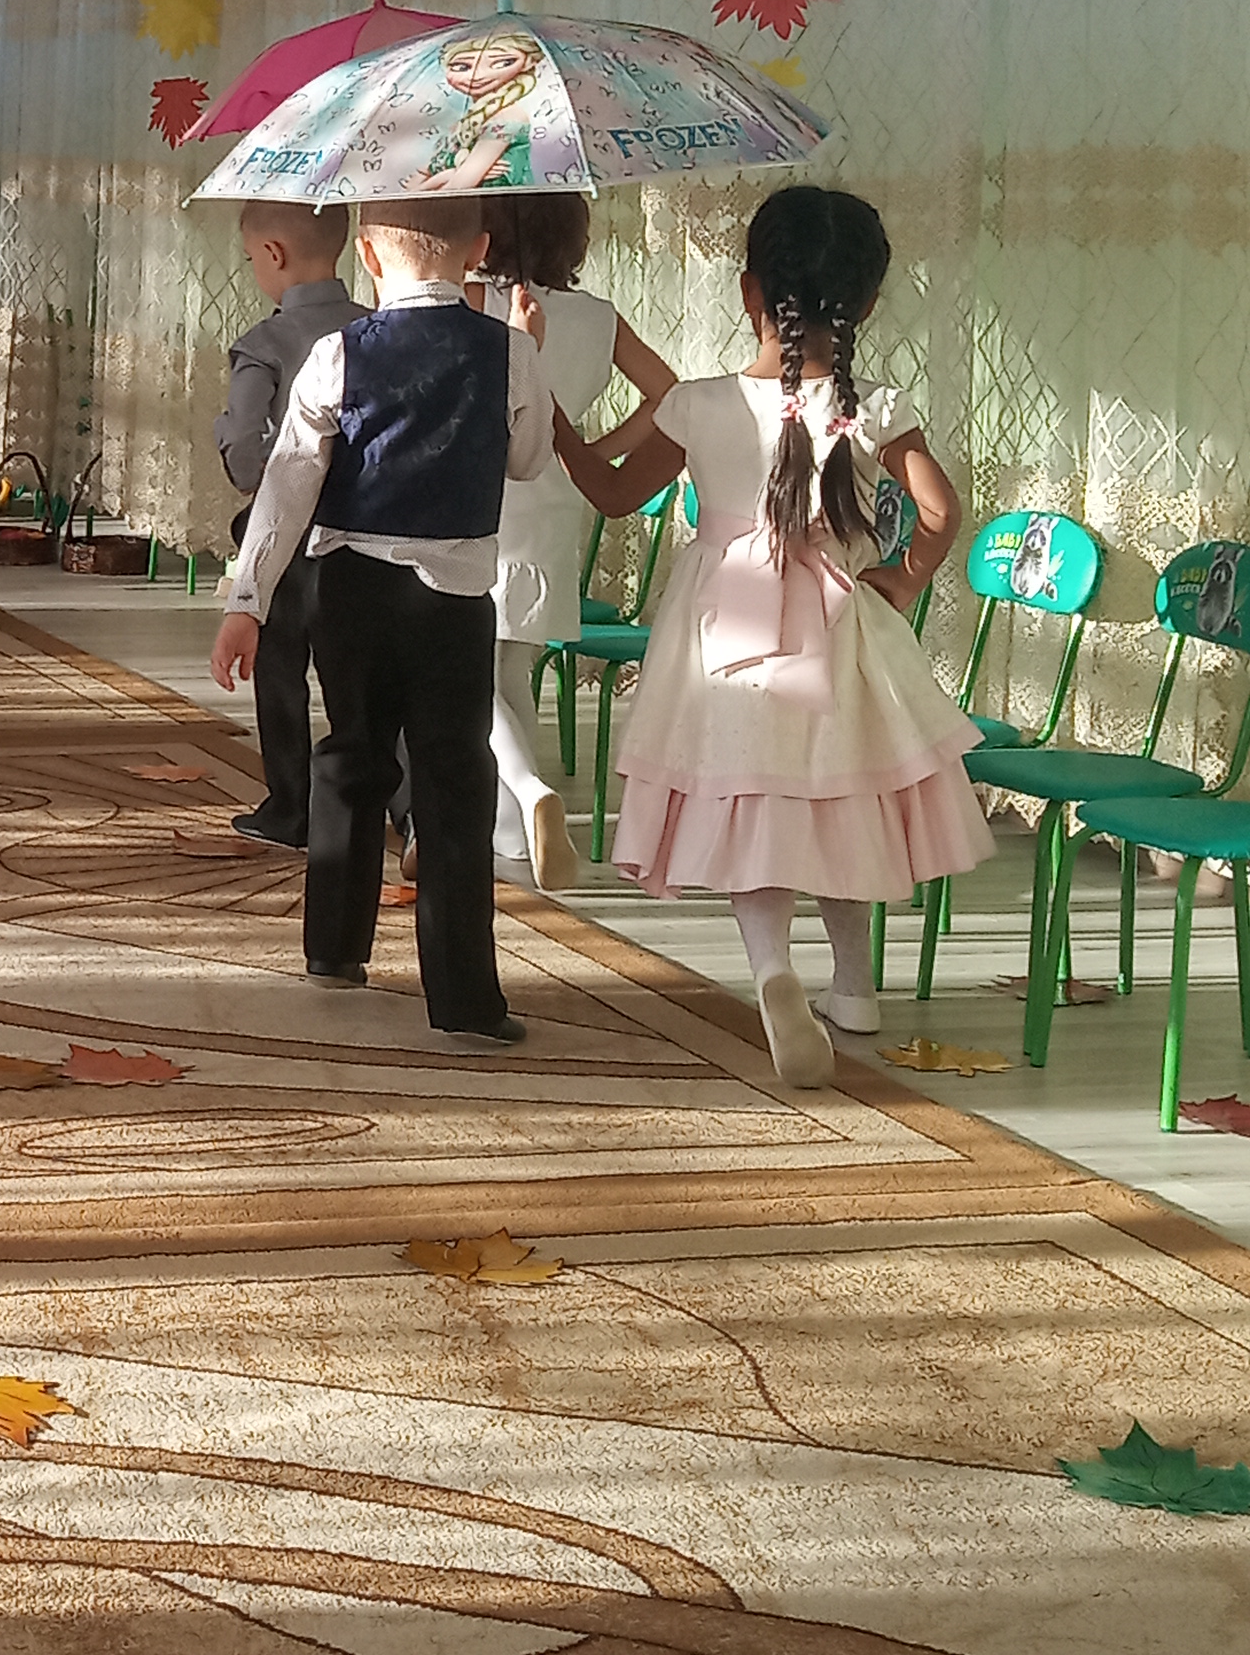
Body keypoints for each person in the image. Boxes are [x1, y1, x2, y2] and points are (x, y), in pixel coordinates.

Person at [561, 182, 984, 1089]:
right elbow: (942, 510)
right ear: (869, 301)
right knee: (837, 798)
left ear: (749, 291)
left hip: (724, 639)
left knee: (751, 795)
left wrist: (556, 424)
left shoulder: (700, 403)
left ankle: (770, 972)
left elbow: (611, 491)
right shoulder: (874, 406)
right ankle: (856, 988)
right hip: (841, 631)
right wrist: (906, 576)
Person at [210, 198, 552, 1047]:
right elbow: (528, 460)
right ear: (479, 250)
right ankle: (465, 999)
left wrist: (248, 602)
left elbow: (287, 488)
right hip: (455, 598)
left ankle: (333, 948)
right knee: (454, 780)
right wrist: (528, 352)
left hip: (350, 589)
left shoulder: (336, 352)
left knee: (351, 755)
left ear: (367, 253)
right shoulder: (507, 350)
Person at [471, 192, 677, 889]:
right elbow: (666, 393)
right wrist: (590, 450)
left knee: (468, 675)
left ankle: (526, 793)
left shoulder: (477, 300)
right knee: (514, 671)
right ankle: (510, 831)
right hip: (554, 500)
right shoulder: (599, 317)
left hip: (484, 495)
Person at [214, 201, 359, 848]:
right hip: (361, 535)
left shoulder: (264, 345)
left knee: (280, 673)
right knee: (358, 676)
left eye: (251, 258)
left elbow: (247, 462)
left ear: (273, 255)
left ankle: (290, 809)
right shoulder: (374, 330)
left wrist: (223, 432)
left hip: (285, 537)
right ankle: (392, 807)